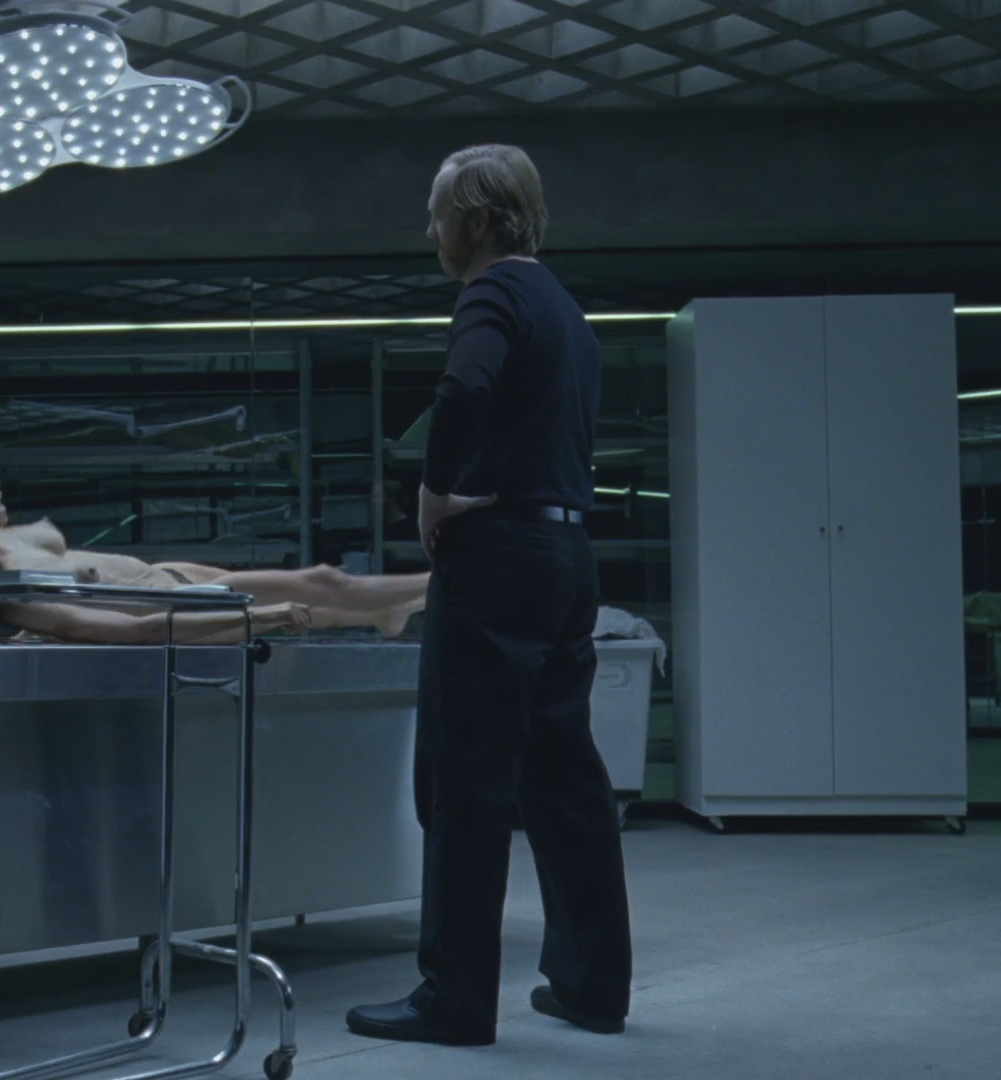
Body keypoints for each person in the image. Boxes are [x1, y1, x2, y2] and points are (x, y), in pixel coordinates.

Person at [345, 144, 633, 1047]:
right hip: (566, 555)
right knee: (564, 776)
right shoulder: (566, 311)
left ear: (474, 220)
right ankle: (593, 984)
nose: (429, 231)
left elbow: (464, 384)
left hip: (498, 555)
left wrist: (435, 491)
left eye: (437, 214)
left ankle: (456, 999)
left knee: (464, 778)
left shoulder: (493, 292)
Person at [0, 446, 430, 644]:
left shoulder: (1, 545)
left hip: (170, 576)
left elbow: (49, 537)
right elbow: (138, 631)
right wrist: (258, 615)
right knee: (325, 586)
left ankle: (386, 610)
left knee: (323, 597)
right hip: (183, 610)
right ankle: (447, 579)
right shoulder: (8, 596)